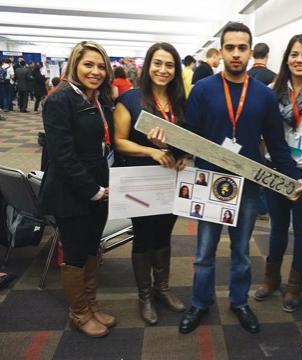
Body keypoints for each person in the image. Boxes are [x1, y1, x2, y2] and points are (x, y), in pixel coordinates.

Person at [149, 22, 302, 335]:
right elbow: (191, 133)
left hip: (247, 186)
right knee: (204, 251)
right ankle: (200, 303)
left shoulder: (263, 95)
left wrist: (292, 177)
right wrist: (166, 144)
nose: (236, 54)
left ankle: (239, 301)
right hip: (209, 180)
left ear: (250, 50)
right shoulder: (203, 89)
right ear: (220, 51)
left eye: (242, 47)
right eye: (230, 47)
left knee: (242, 251)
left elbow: (276, 144)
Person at [39, 40, 117, 338]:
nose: (95, 71)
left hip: (99, 186)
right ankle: (79, 313)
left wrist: (103, 187)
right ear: (74, 64)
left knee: (91, 247)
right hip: (71, 191)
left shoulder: (95, 98)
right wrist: (93, 190)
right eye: (88, 65)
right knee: (74, 252)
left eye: (101, 66)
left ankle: (91, 304)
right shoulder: (60, 99)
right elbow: (63, 156)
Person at [114, 42, 188, 326]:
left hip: (170, 179)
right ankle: (145, 296)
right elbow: (119, 142)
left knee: (164, 233)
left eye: (169, 65)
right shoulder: (131, 99)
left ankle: (163, 289)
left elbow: (185, 137)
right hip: (140, 179)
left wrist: (183, 156)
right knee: (144, 236)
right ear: (148, 65)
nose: (163, 70)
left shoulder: (180, 101)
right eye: (158, 63)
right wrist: (152, 151)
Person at [254, 34, 302, 312]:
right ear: (287, 58)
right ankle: (271, 279)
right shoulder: (272, 91)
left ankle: (295, 286)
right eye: (295, 54)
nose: (300, 60)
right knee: (277, 227)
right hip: (277, 170)